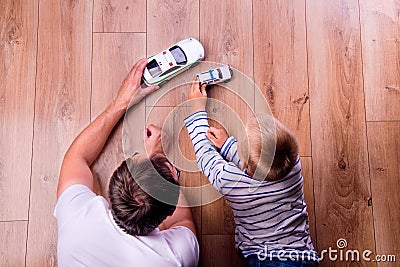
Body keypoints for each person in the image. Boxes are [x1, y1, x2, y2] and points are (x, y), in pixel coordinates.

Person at [55, 59, 199, 267]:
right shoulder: (176, 256)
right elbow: (181, 222)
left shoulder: (76, 220)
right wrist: (159, 156)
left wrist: (121, 102)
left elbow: (77, 157)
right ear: (167, 212)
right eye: (176, 173)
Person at [184, 79, 318, 267]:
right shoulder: (293, 165)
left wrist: (197, 110)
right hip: (301, 253)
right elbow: (261, 168)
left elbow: (205, 157)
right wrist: (228, 146)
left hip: (261, 256)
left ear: (246, 165)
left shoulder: (230, 182)